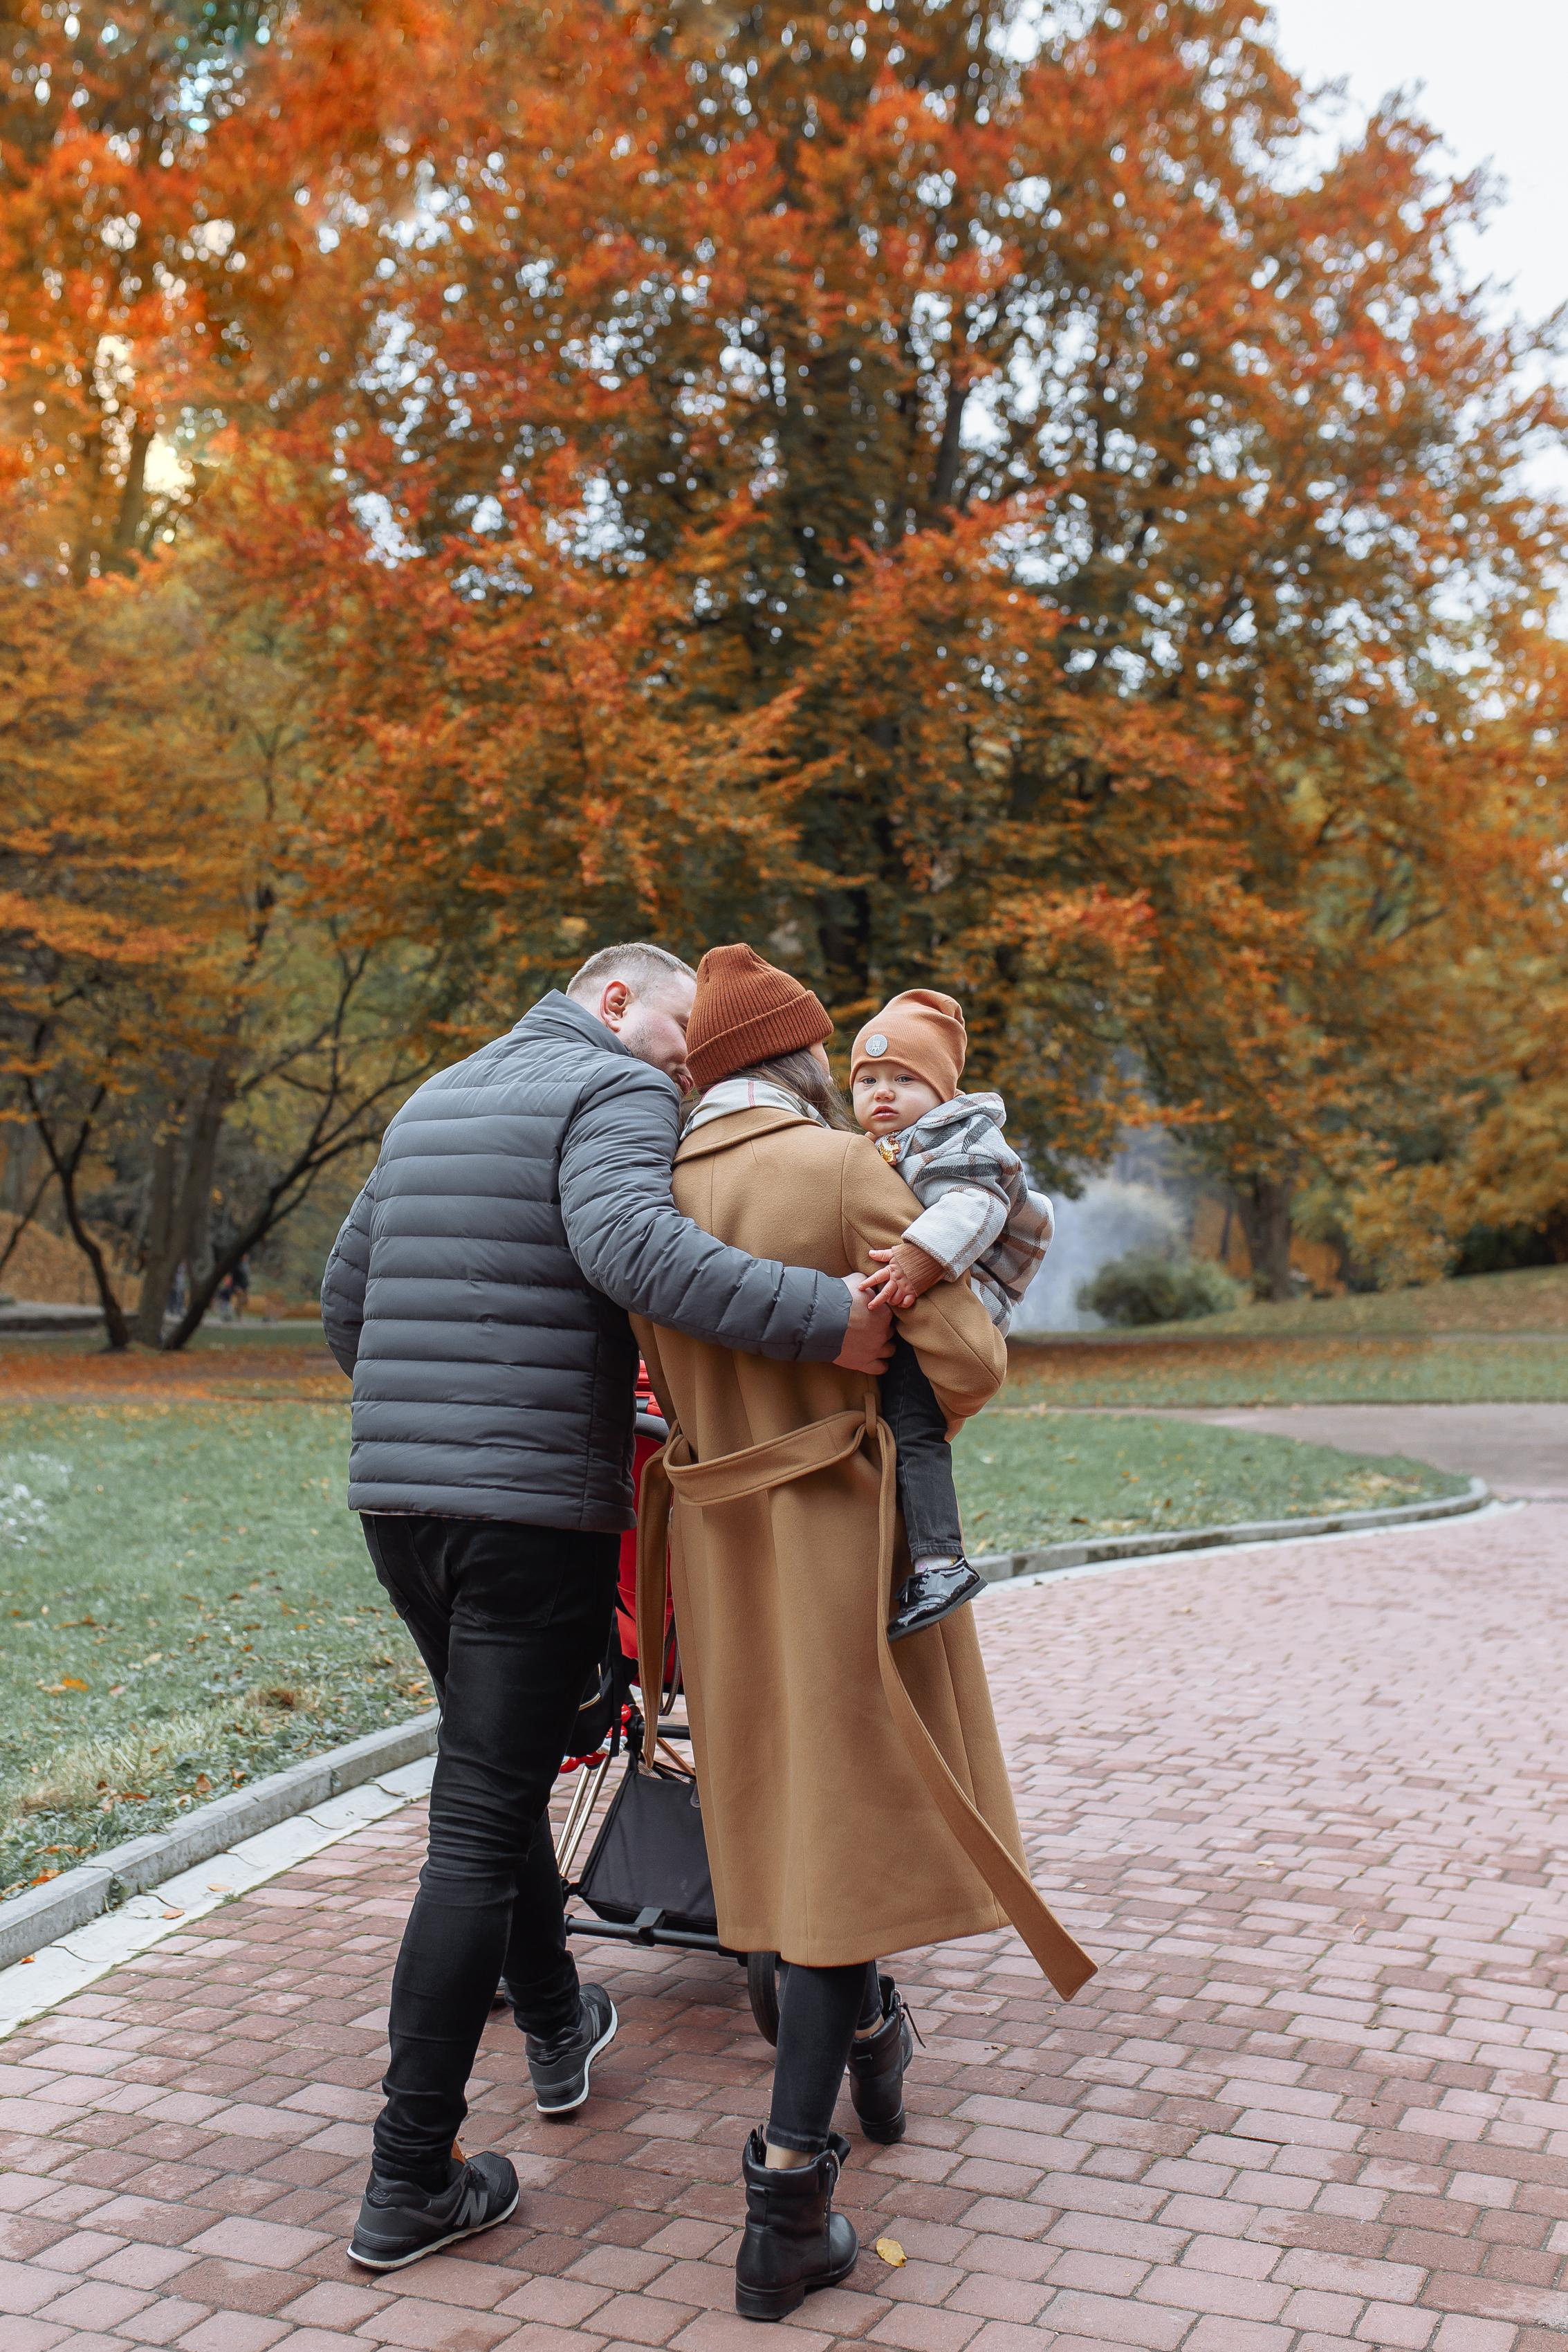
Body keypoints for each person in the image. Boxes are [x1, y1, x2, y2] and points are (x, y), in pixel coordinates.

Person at [319, 941, 894, 2273]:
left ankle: (562, 2019)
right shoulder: (615, 1093)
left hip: (399, 1509)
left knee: (490, 1782)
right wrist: (830, 1320)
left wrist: (436, 1401)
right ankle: (408, 2178)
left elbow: (348, 1307)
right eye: (684, 1030)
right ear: (615, 998)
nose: (696, 1064)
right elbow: (632, 1248)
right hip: (528, 1519)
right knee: (471, 1831)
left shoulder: (437, 1095)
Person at [631, 944, 1095, 2324]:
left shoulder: (647, 1188)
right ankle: (785, 2196)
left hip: (713, 1548)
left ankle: (872, 2037)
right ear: (795, 1064)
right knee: (835, 1838)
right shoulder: (836, 1169)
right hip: (841, 1534)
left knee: (774, 1813)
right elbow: (963, 1356)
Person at [849, 990, 1053, 1642]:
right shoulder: (879, 1143)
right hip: (924, 1306)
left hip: (961, 1300)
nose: (883, 1093)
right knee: (893, 1425)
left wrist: (917, 1260)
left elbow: (975, 1208)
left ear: (940, 1090)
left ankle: (941, 1562)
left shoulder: (958, 1138)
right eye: (868, 1081)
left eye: (904, 1079)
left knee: (914, 1430)